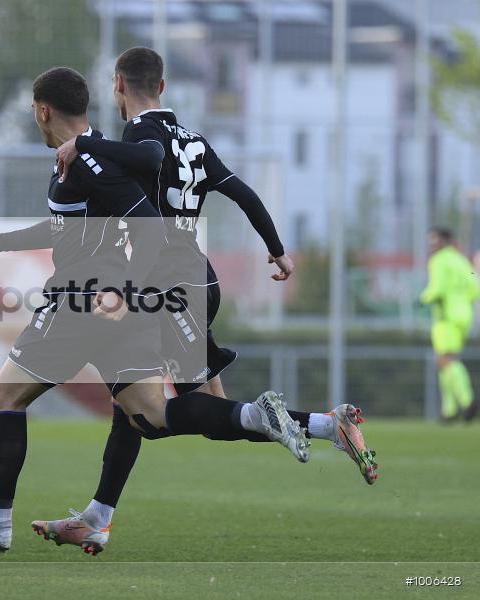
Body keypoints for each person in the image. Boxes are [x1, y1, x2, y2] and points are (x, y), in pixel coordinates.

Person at [0, 67, 305, 555]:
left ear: (43, 111)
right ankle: (256, 416)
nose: (36, 121)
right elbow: (67, 227)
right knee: (151, 416)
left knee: (6, 395)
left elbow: (149, 226)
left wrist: (119, 288)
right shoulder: (92, 152)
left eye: (34, 113)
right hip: (122, 308)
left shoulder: (86, 161)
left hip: (80, 300)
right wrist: (2, 242)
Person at [26, 47, 378, 554]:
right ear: (164, 87)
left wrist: (83, 144)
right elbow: (246, 195)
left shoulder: (139, 135)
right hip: (199, 280)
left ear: (118, 85)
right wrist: (278, 253)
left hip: (168, 285)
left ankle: (304, 421)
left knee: (166, 413)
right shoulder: (195, 141)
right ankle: (98, 516)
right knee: (139, 407)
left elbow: (142, 163)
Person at [420, 227, 480, 422]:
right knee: (444, 360)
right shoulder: (461, 259)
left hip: (446, 315)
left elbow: (436, 288)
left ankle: (467, 401)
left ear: (444, 241)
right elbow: (475, 288)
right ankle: (449, 410)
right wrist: (462, 303)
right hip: (464, 314)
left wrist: (423, 298)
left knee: (447, 359)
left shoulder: (439, 260)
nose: (432, 245)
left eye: (434, 241)